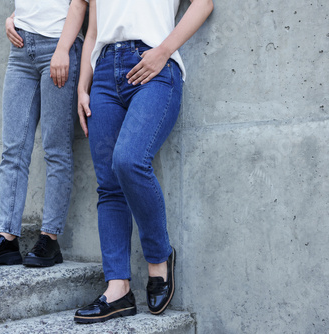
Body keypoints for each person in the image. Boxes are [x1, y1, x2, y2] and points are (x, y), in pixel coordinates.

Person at [73, 0, 213, 324]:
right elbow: (93, 31)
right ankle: (118, 288)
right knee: (108, 185)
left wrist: (164, 51)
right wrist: (83, 85)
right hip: (104, 75)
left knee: (129, 160)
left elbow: (203, 4)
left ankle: (158, 257)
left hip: (153, 64)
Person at [0, 0, 88, 269]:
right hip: (20, 49)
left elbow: (79, 3)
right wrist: (13, 17)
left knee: (56, 149)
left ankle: (49, 238)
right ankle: (7, 237)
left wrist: (64, 48)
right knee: (13, 150)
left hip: (58, 44)